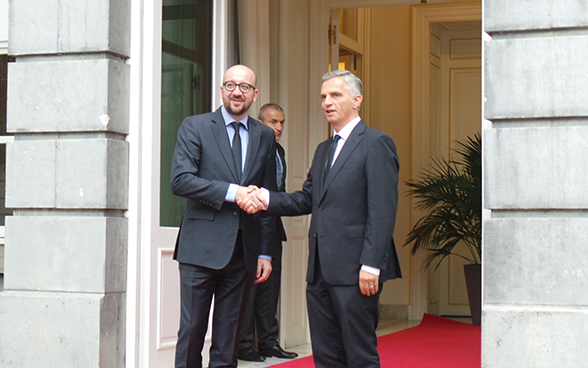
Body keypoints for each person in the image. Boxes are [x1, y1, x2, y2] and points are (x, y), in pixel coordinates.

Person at [239, 69, 402, 368]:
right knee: (326, 356)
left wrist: (371, 264)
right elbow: (306, 199)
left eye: (335, 95)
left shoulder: (376, 143)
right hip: (319, 273)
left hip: (356, 271)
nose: (327, 102)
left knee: (359, 354)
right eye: (324, 96)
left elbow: (382, 210)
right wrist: (265, 197)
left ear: (356, 100)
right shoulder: (324, 149)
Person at [171, 64, 278, 368]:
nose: (236, 92)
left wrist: (265, 253)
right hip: (199, 249)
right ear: (221, 90)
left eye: (244, 87)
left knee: (229, 339)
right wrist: (233, 192)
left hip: (242, 252)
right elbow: (180, 180)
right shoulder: (196, 126)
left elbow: (266, 198)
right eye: (230, 85)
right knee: (192, 332)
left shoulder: (265, 136)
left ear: (254, 94)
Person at [238, 104, 298, 362]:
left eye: (282, 122)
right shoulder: (250, 147)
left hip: (273, 228)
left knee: (270, 288)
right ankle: (243, 344)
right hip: (250, 227)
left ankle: (269, 341)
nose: (278, 128)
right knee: (248, 288)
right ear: (259, 122)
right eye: (273, 122)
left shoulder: (279, 151)